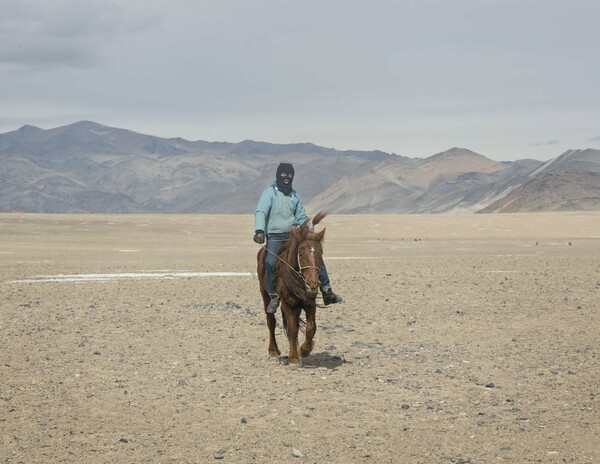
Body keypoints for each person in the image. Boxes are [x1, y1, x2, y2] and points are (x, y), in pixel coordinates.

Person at [254, 162, 343, 313]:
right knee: (269, 262)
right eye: (283, 175)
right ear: (278, 175)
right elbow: (261, 211)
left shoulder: (294, 195)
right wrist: (260, 230)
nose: (286, 178)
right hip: (275, 235)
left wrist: (308, 233)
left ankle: (326, 289)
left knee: (314, 256)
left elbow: (301, 215)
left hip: (293, 235)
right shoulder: (269, 193)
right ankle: (273, 295)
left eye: (289, 175)